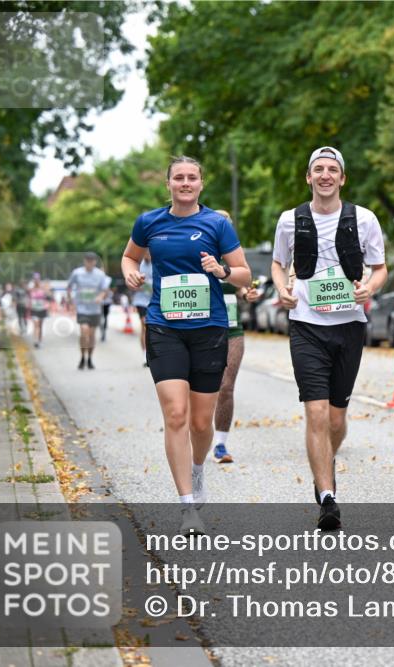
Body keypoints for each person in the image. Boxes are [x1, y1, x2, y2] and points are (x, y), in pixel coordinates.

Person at [121, 156, 251, 535]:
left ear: (200, 184)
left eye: (192, 177)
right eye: (178, 177)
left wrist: (221, 271)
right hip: (164, 327)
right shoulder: (149, 222)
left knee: (200, 422)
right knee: (176, 415)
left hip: (209, 330)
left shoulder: (217, 224)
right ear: (169, 184)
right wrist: (131, 271)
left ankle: (197, 469)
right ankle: (187, 506)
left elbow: (244, 274)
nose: (185, 183)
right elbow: (130, 256)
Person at [271, 146, 387, 530]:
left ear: (342, 178)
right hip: (306, 324)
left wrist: (370, 287)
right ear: (308, 177)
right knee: (316, 412)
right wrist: (282, 289)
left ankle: (324, 460)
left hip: (349, 325)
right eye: (318, 169)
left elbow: (380, 268)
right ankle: (326, 497)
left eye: (332, 170)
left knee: (336, 419)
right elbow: (278, 264)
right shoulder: (289, 220)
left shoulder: (364, 219)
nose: (325, 175)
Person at [211, 209, 261, 464]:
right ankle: (195, 435)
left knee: (226, 386)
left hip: (232, 329)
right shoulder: (197, 253)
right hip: (203, 330)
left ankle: (220, 444)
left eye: (227, 225)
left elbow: (243, 289)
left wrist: (248, 294)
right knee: (198, 389)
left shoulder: (234, 257)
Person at [67, 253, 109, 369]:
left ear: (95, 262)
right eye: (88, 260)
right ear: (84, 261)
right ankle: (82, 357)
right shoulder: (77, 273)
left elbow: (105, 290)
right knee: (84, 331)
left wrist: (100, 296)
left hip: (95, 309)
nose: (90, 263)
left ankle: (89, 358)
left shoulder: (100, 274)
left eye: (92, 261)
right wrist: (70, 301)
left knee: (91, 335)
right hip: (82, 308)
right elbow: (69, 286)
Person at [132, 249, 154, 366]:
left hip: (154, 300)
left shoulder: (157, 264)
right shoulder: (137, 265)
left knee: (151, 328)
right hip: (141, 301)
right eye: (145, 252)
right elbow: (131, 283)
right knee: (145, 326)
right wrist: (136, 285)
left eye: (149, 252)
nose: (147, 255)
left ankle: (152, 353)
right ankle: (145, 355)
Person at [28, 274, 50, 348]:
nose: (36, 280)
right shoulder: (31, 289)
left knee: (40, 326)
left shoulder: (43, 288)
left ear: (39, 279)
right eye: (35, 279)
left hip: (42, 309)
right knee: (36, 325)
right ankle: (36, 341)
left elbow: (48, 296)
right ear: (33, 280)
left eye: (37, 279)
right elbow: (29, 298)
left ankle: (39, 340)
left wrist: (46, 290)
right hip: (34, 309)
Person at [100, 277, 114, 342]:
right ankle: (102, 330)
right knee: (100, 318)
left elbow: (113, 289)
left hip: (107, 303)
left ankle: (104, 330)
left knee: (105, 317)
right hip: (100, 303)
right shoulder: (98, 278)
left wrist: (108, 292)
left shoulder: (109, 280)